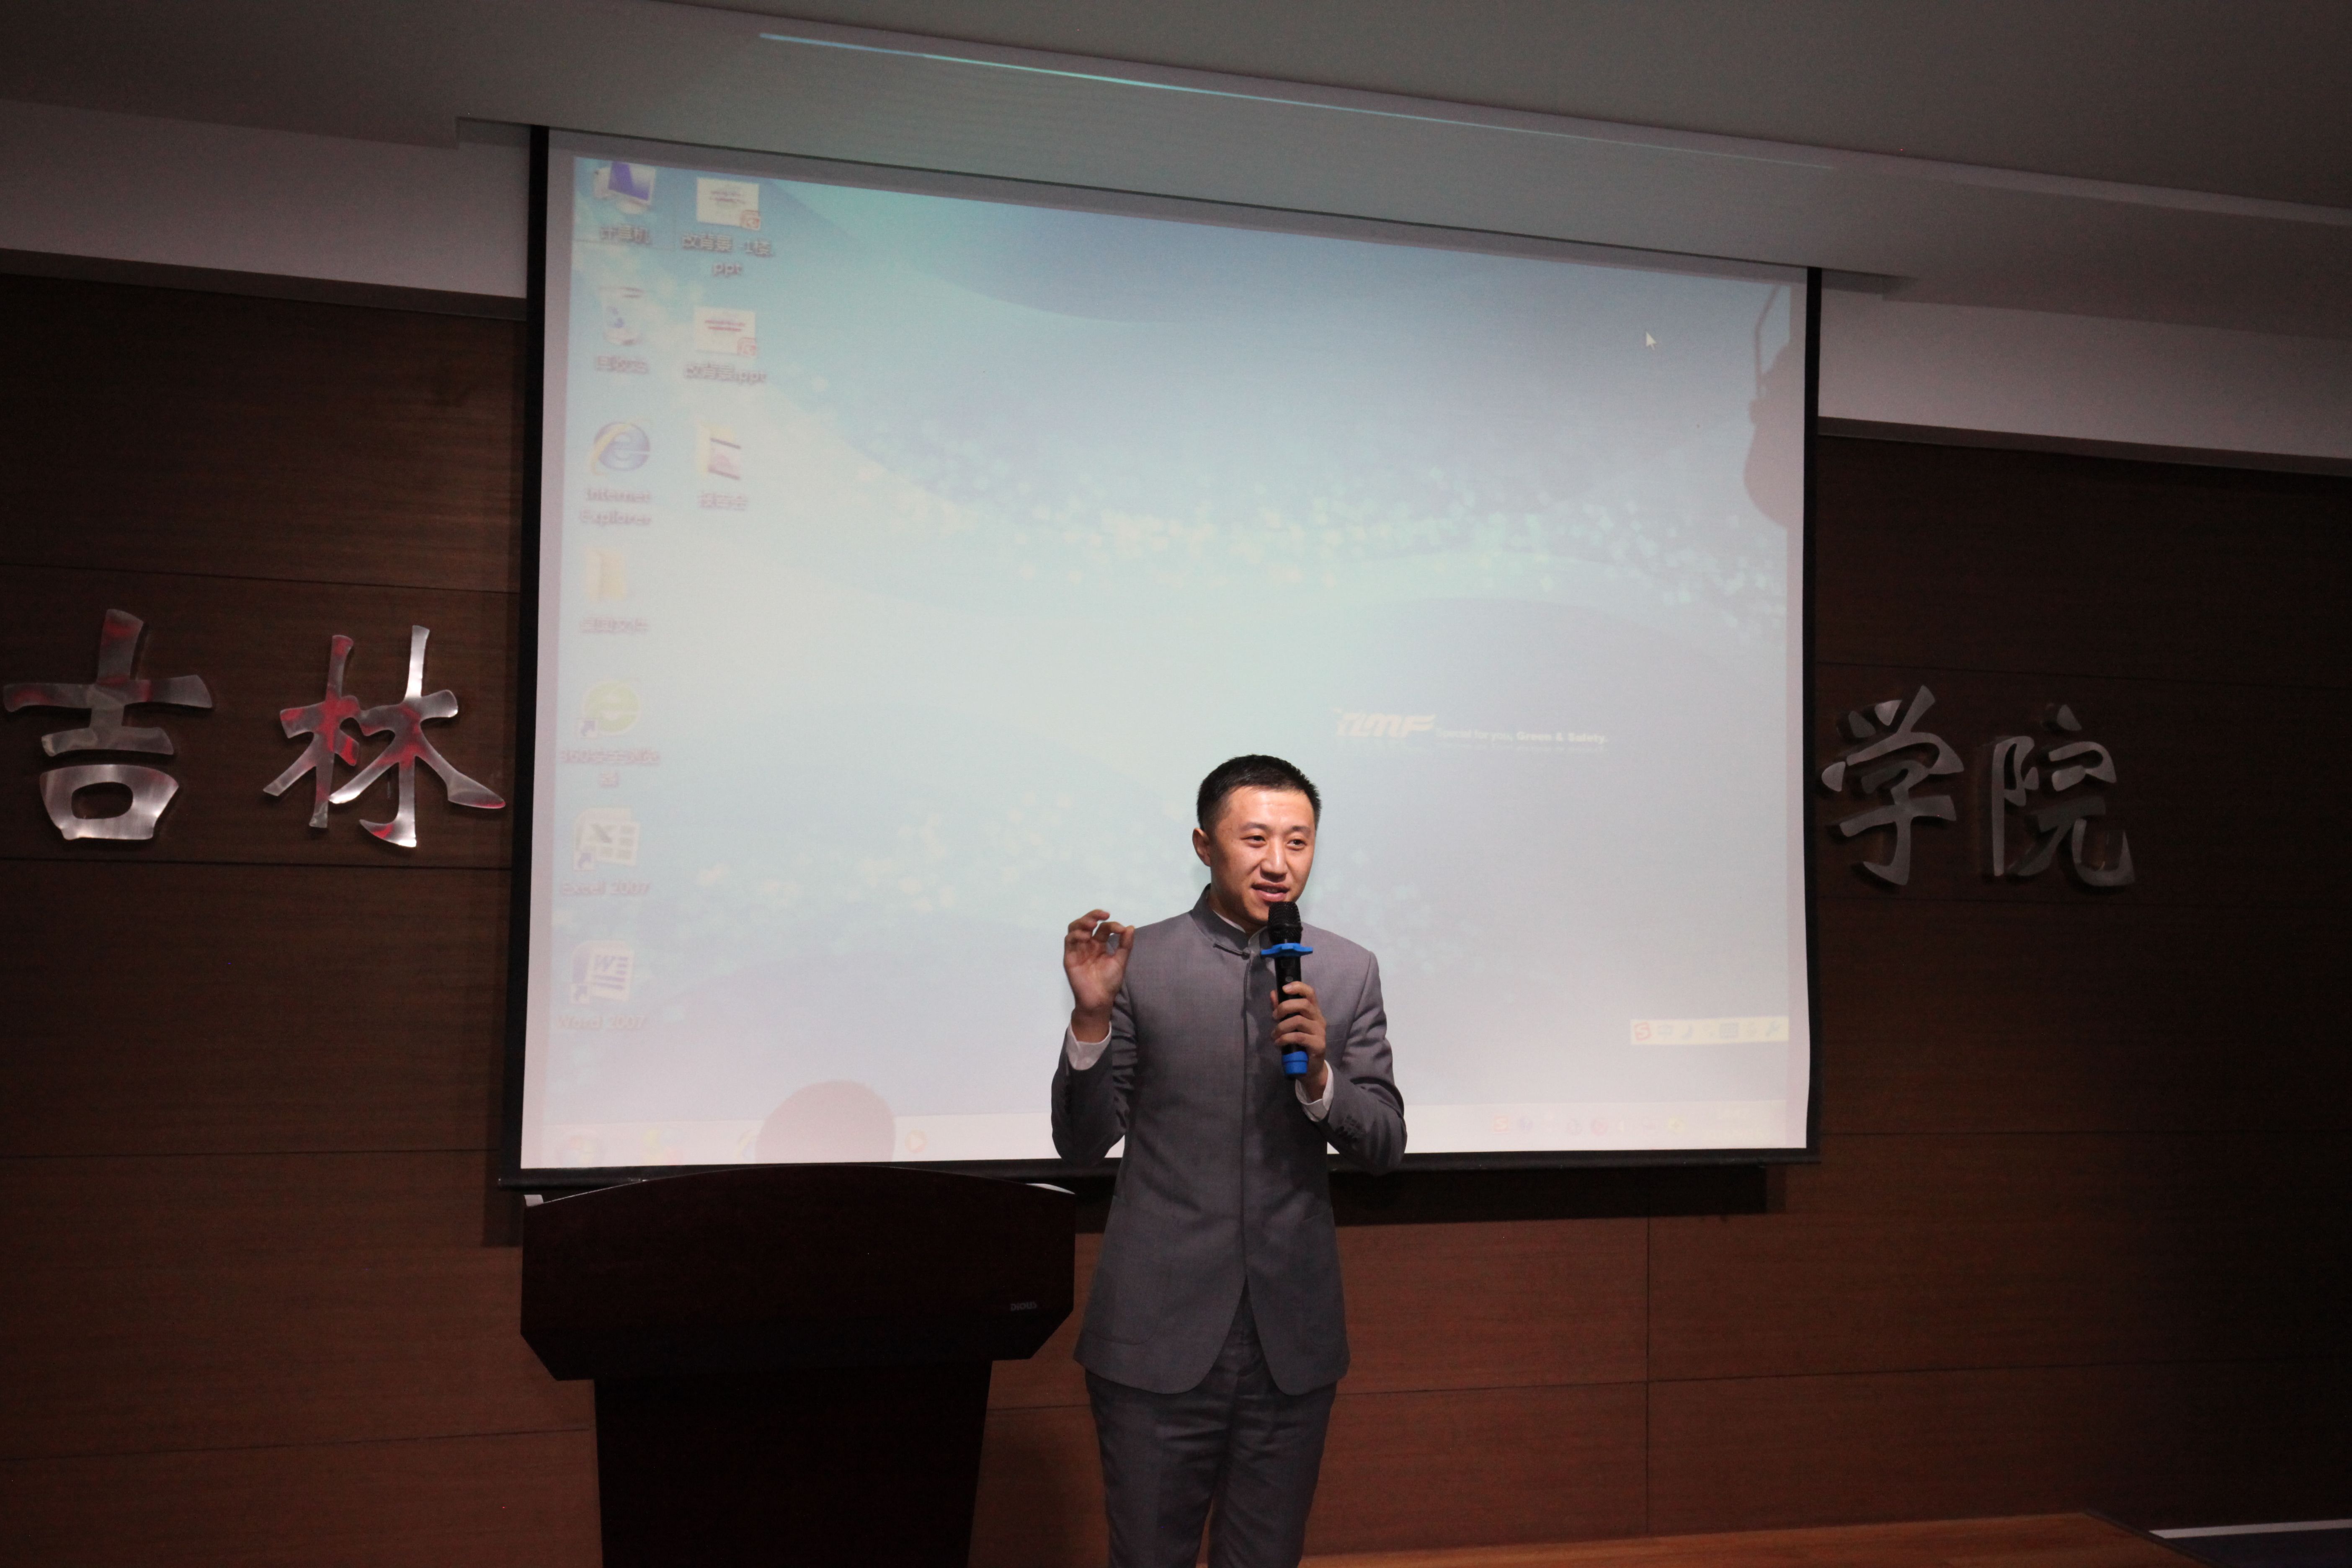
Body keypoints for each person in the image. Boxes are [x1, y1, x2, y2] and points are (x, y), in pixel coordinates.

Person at [1053, 754, 1406, 1568]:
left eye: (1298, 841)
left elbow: (1385, 1142)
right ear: (1204, 845)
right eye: (1255, 839)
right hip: (1155, 1336)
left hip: (1292, 1340)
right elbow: (1081, 1142)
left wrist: (1321, 1081)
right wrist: (1092, 1020)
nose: (1278, 862)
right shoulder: (1138, 961)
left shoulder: (1347, 970)